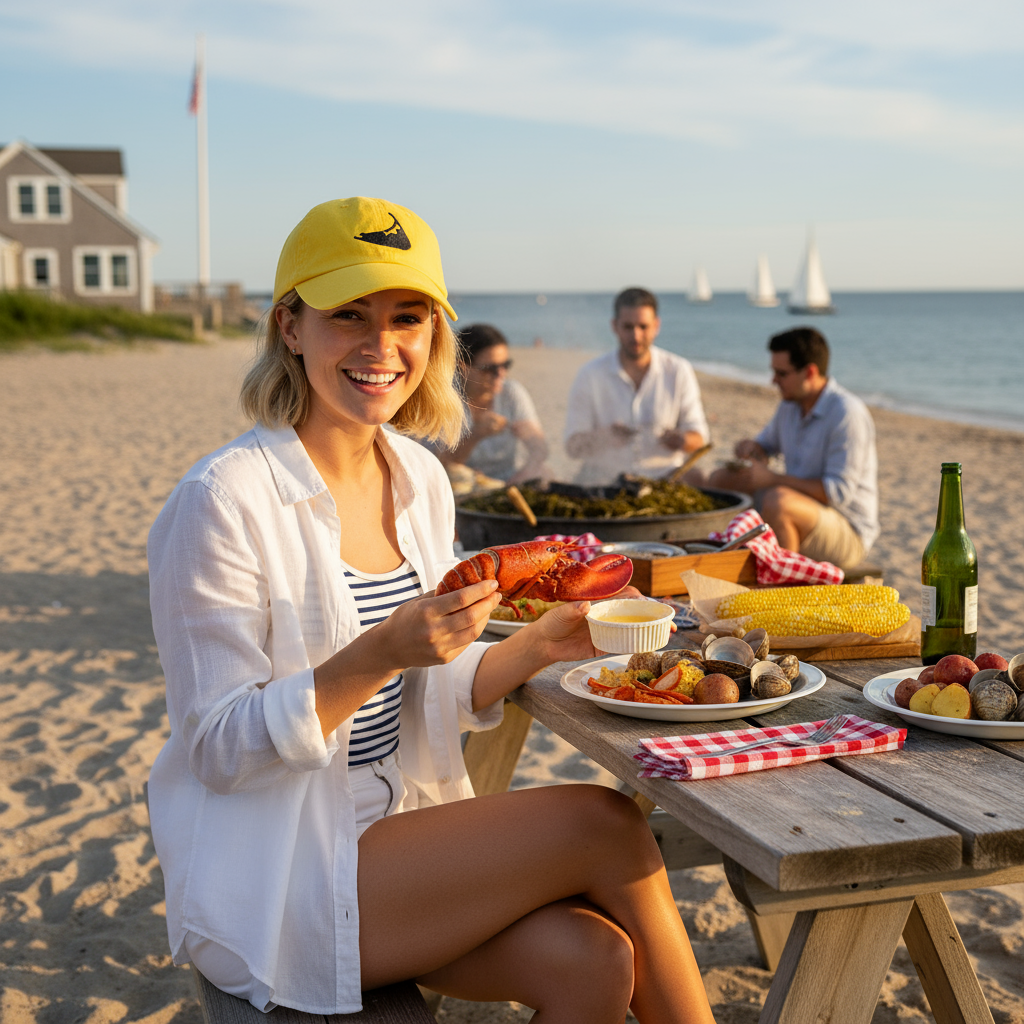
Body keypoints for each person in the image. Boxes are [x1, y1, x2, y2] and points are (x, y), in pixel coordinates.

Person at [146, 196, 714, 1024]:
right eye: (349, 315)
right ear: (289, 328)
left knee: (596, 961)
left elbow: (432, 679)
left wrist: (540, 645)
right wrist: (376, 653)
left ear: (435, 339)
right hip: (283, 867)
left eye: (407, 318)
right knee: (603, 821)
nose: (382, 346)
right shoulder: (220, 501)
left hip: (397, 830)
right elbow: (217, 748)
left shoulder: (419, 478)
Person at [706, 326, 878, 567]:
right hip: (800, 506)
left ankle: (781, 583)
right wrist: (752, 448)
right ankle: (725, 561)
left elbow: (836, 493)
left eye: (781, 373)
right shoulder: (791, 404)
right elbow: (766, 445)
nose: (773, 380)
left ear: (809, 372)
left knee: (779, 501)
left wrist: (773, 478)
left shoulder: (846, 413)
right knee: (720, 479)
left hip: (847, 531)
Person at [563, 287, 710, 486]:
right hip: (605, 480)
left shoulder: (678, 371)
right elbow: (572, 447)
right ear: (614, 326)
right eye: (628, 327)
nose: (636, 335)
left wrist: (681, 440)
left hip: (665, 477)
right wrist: (604, 438)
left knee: (698, 477)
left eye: (643, 326)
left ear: (656, 326)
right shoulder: (590, 374)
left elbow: (700, 438)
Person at [431, 322, 550, 484]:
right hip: (457, 485)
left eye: (505, 365)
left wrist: (527, 466)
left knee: (545, 473)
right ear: (463, 366)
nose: (501, 374)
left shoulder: (511, 393)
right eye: (490, 368)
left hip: (507, 481)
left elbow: (541, 450)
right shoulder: (444, 399)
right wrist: (474, 436)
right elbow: (438, 465)